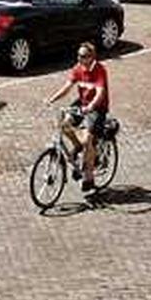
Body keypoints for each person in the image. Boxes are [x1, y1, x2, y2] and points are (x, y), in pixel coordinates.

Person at [47, 42, 111, 193]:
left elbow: (100, 93)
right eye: (78, 55)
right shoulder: (77, 69)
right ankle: (77, 145)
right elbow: (67, 87)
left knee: (88, 139)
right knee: (64, 125)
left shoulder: (99, 70)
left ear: (91, 57)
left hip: (97, 107)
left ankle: (89, 177)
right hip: (82, 102)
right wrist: (52, 99)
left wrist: (91, 106)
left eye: (83, 56)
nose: (79, 58)